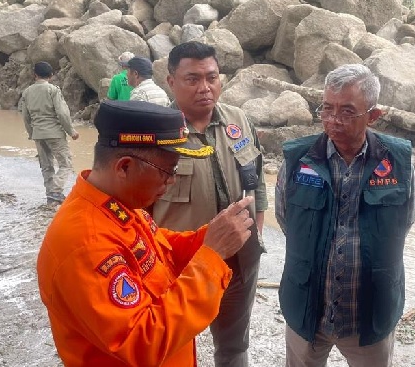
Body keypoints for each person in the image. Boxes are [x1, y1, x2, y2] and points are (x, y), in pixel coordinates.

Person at [37, 99, 256, 367]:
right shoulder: (85, 244)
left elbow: (159, 252)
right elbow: (143, 342)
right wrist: (211, 256)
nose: (172, 180)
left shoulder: (120, 204)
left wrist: (209, 236)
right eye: (168, 170)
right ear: (124, 167)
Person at [275, 63, 415, 366]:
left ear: (373, 115)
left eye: (347, 111)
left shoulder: (399, 162)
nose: (333, 120)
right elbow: (286, 219)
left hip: (369, 314)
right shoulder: (298, 159)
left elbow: (405, 222)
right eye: (327, 109)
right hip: (307, 310)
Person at [151, 41, 267, 367]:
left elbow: (256, 179)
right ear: (170, 81)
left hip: (240, 266)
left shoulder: (239, 120)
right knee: (170, 348)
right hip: (181, 269)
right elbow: (137, 207)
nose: (205, 88)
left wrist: (255, 234)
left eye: (212, 77)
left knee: (233, 349)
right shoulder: (157, 134)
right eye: (192, 79)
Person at [21, 61, 79, 205]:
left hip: (38, 134)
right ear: (51, 75)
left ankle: (50, 195)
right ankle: (55, 191)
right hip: (55, 133)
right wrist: (71, 131)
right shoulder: (53, 90)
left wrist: (31, 133)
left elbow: (26, 116)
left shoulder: (27, 92)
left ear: (35, 75)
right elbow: (62, 113)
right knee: (65, 164)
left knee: (46, 165)